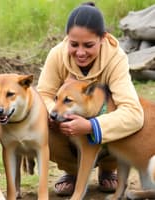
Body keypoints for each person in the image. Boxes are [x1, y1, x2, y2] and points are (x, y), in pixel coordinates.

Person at [37, 2, 144, 196]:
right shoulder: (56, 55)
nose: (80, 52)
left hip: (103, 132)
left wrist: (91, 126)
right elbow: (43, 94)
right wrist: (54, 112)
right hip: (67, 131)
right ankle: (72, 172)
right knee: (41, 123)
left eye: (88, 45)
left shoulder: (116, 58)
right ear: (66, 38)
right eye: (73, 44)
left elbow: (133, 113)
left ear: (103, 38)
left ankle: (108, 168)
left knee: (129, 124)